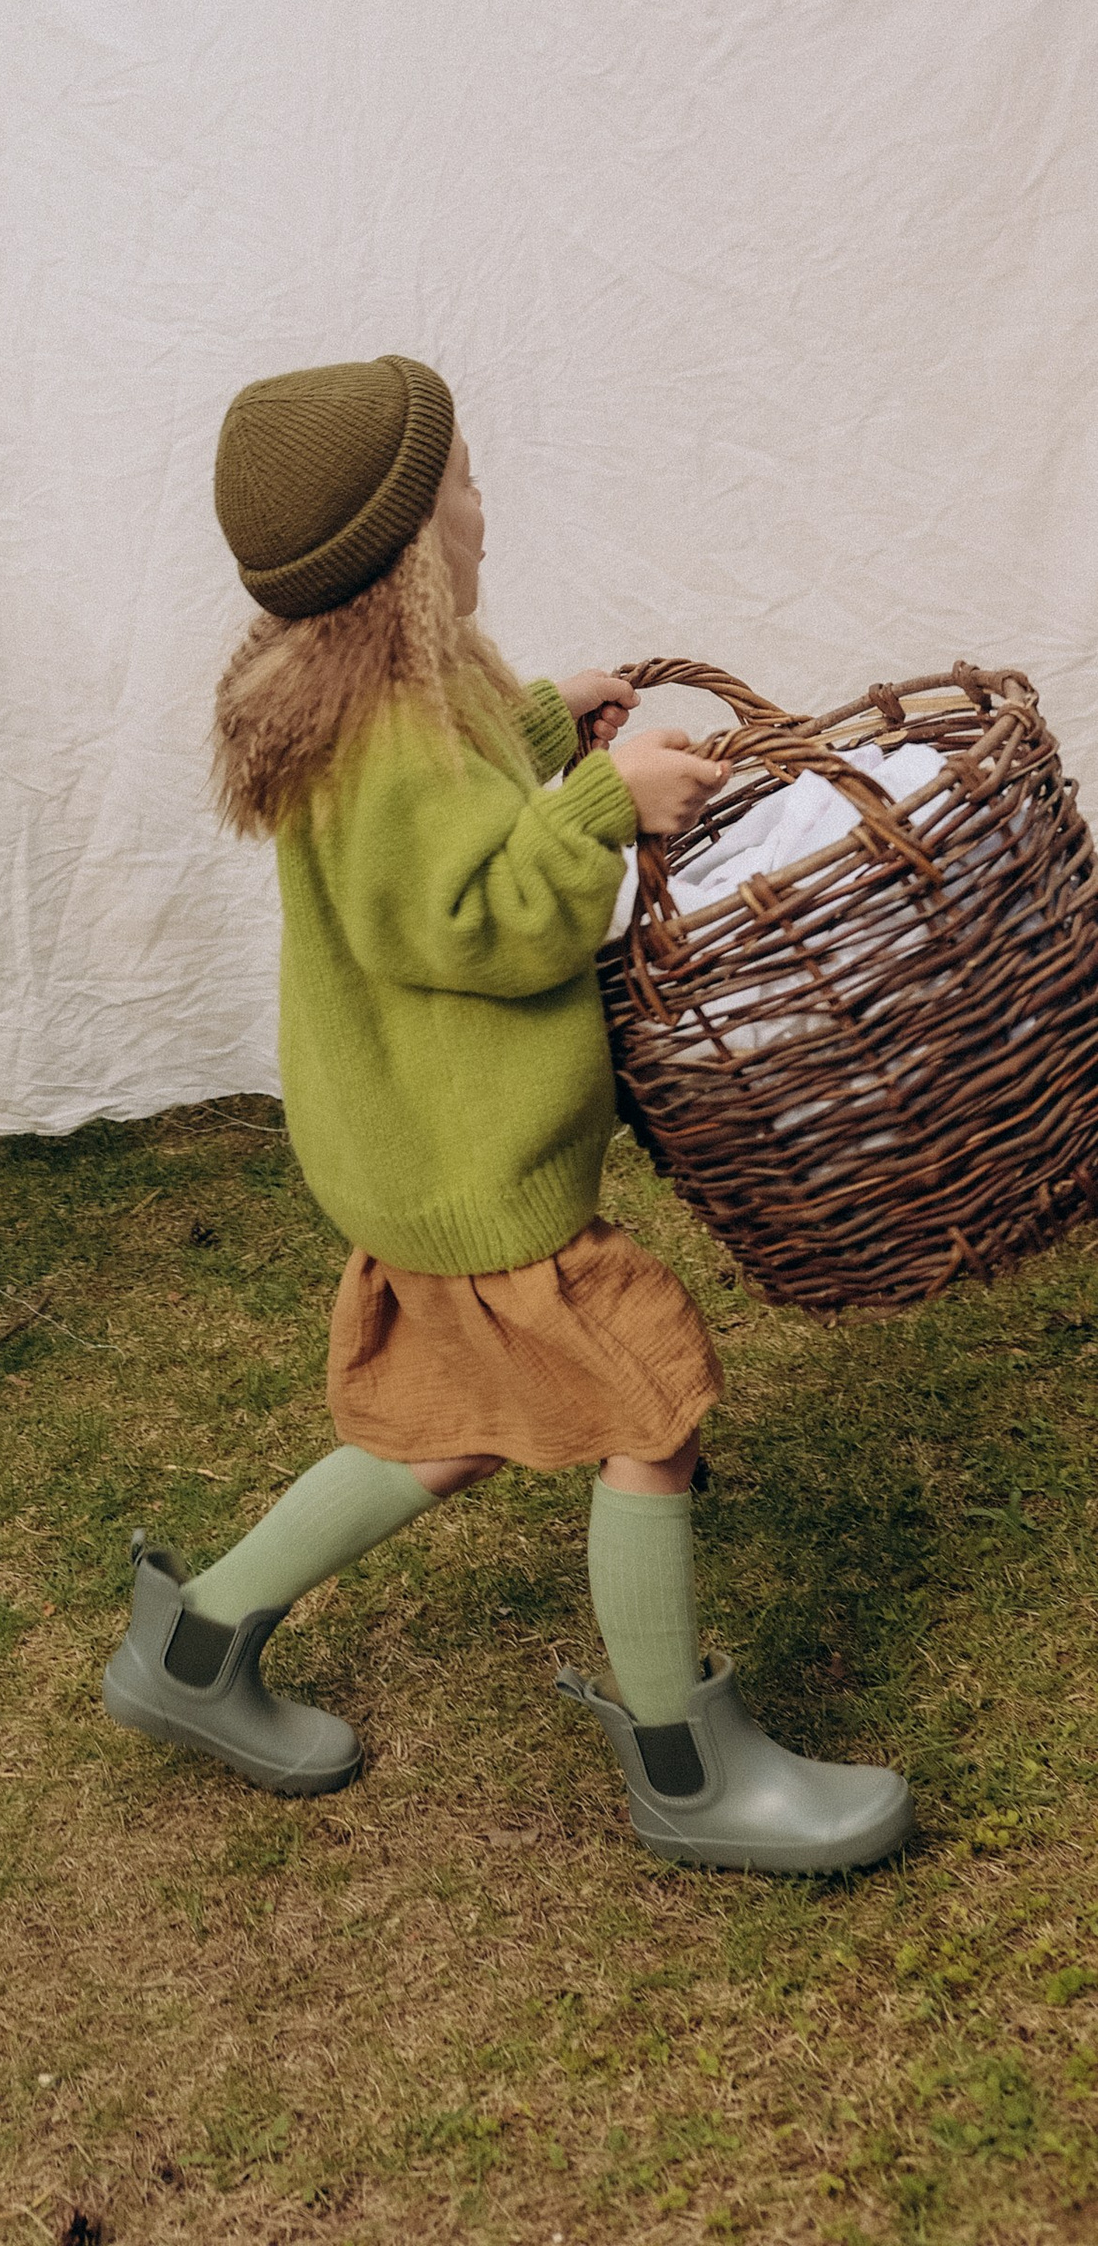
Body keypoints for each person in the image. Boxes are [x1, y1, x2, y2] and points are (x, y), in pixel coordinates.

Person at [102, 353, 913, 1876]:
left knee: (452, 1428)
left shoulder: (385, 691)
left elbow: (453, 811)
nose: (487, 504)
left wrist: (549, 726)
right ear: (412, 549)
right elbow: (476, 918)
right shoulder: (387, 739)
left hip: (415, 1152)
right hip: (470, 1167)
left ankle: (194, 1648)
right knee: (649, 1408)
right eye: (465, 484)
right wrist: (607, 805)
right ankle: (684, 1774)